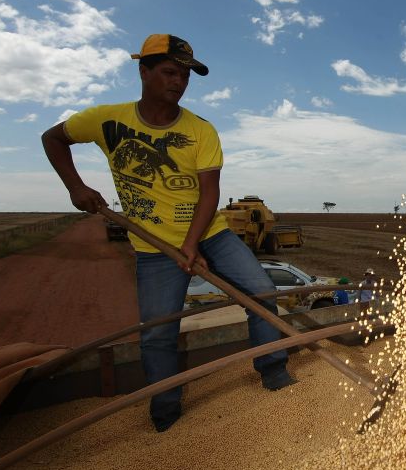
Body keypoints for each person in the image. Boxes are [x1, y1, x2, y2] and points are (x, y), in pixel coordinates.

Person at [41, 34, 294, 433]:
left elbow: (209, 195)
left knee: (262, 293)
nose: (179, 82)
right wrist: (75, 186)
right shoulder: (106, 120)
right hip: (154, 248)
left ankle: (274, 371)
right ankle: (165, 414)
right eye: (170, 72)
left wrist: (192, 245)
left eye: (185, 76)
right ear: (144, 72)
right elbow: (52, 138)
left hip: (210, 234)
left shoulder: (200, 130)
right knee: (157, 334)